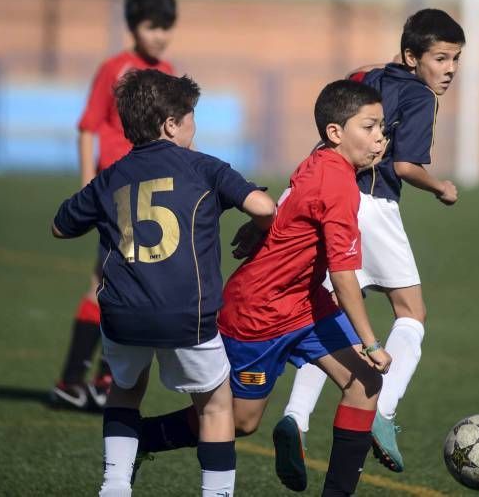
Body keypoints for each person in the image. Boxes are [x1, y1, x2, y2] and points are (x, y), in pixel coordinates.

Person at [134, 80, 392, 496]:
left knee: (364, 383)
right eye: (369, 126)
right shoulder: (339, 185)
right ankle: (142, 439)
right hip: (260, 314)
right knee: (240, 422)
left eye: (381, 126)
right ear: (335, 134)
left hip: (306, 304)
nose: (380, 135)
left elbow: (289, 204)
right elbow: (344, 278)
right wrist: (372, 341)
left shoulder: (322, 160)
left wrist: (265, 229)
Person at [51, 68, 275, 496]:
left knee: (126, 388)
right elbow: (264, 206)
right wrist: (256, 225)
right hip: (186, 315)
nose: (195, 125)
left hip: (121, 313)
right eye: (191, 116)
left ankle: (115, 483)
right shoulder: (205, 168)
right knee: (215, 405)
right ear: (171, 124)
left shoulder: (111, 176)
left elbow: (60, 226)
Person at [279, 8, 465, 475]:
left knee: (328, 314)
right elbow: (403, 166)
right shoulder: (421, 96)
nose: (449, 70)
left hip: (323, 192)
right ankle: (382, 409)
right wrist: (440, 186)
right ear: (412, 55)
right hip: (371, 203)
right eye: (441, 58)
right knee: (411, 312)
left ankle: (295, 420)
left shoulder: (363, 74)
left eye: (455, 59)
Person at [51, 0, 179, 410]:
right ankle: (84, 381)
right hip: (115, 190)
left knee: (119, 281)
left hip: (150, 193)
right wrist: (88, 182)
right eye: (152, 26)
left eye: (166, 27)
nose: (159, 35)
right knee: (110, 281)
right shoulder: (114, 69)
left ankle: (91, 382)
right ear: (133, 25)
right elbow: (89, 125)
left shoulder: (168, 71)